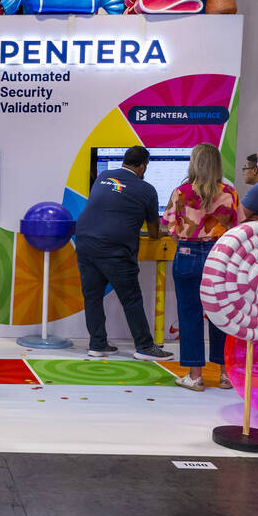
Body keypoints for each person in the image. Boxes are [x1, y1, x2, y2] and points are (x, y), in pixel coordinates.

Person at [73, 145, 174, 361]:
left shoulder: (103, 176)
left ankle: (97, 344)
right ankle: (145, 347)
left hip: (84, 242)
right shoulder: (147, 189)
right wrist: (162, 231)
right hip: (114, 249)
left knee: (92, 297)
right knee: (131, 299)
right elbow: (154, 231)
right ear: (142, 166)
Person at [163, 143, 243, 391]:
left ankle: (195, 376)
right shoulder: (230, 193)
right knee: (222, 316)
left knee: (189, 316)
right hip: (220, 258)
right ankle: (226, 374)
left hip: (187, 255)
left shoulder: (181, 192)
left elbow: (171, 229)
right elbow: (239, 227)